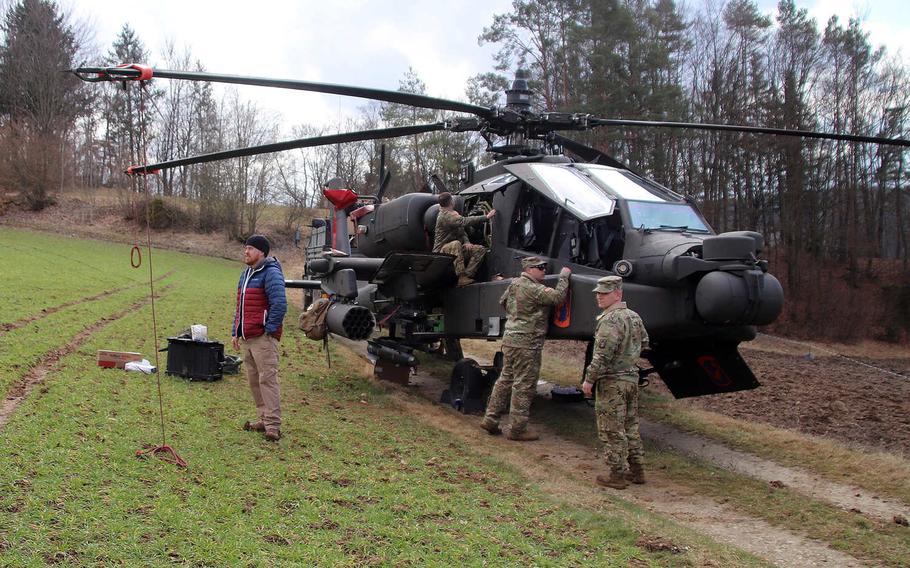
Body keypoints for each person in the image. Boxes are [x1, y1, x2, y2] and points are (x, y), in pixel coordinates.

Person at [480, 257, 571, 441]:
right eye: (540, 268)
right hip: (527, 343)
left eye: (545, 267)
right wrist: (564, 277)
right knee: (524, 384)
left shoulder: (515, 284)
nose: (544, 270)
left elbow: (503, 301)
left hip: (511, 339)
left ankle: (490, 419)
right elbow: (557, 297)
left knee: (505, 379)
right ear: (529, 269)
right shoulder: (532, 288)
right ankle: (517, 429)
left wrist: (518, 316)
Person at [581, 275, 649, 489]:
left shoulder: (610, 320)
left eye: (604, 293)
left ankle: (617, 475)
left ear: (617, 293)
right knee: (630, 425)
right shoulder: (634, 316)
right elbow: (645, 343)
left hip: (613, 382)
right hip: (631, 379)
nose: (599, 297)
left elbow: (601, 355)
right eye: (598, 293)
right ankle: (637, 471)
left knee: (611, 429)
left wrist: (589, 380)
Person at [231, 235, 287, 442]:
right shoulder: (246, 274)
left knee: (267, 379)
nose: (246, 252)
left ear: (261, 252)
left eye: (250, 249)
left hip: (262, 338)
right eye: (245, 248)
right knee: (255, 381)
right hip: (246, 338)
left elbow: (280, 305)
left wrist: (268, 330)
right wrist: (235, 332)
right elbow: (240, 307)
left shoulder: (271, 273)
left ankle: (273, 425)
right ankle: (263, 419)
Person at [432, 192, 496, 287]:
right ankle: (461, 276)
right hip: (441, 252)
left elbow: (461, 231)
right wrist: (486, 217)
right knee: (456, 243)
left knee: (479, 249)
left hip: (455, 251)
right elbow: (464, 221)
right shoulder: (444, 216)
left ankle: (467, 276)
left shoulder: (453, 214)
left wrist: (467, 242)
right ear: (451, 202)